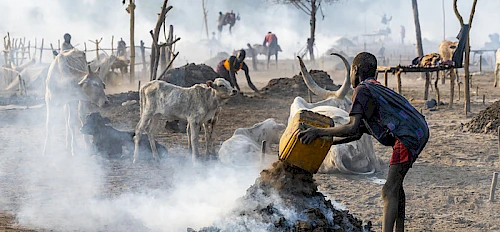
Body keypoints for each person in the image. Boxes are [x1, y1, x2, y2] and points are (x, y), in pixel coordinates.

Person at [298, 52, 429, 232]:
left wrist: (318, 131)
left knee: (388, 190)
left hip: (407, 136)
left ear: (355, 70)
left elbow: (351, 127)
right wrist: (328, 141)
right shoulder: (373, 89)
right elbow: (358, 132)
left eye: (351, 72)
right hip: (417, 130)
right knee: (396, 186)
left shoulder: (362, 90)